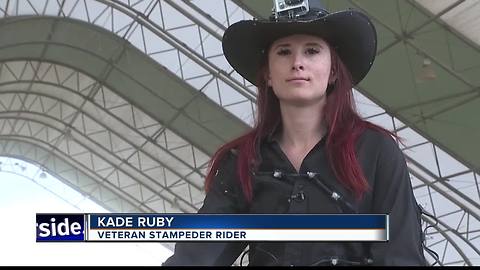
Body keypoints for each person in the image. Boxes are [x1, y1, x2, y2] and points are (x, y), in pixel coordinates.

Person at [163, 0, 427, 266]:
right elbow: (197, 255)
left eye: (312, 51)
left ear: (333, 70)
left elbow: (401, 256)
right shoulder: (243, 160)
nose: (298, 62)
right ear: (267, 73)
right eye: (283, 52)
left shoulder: (377, 151)